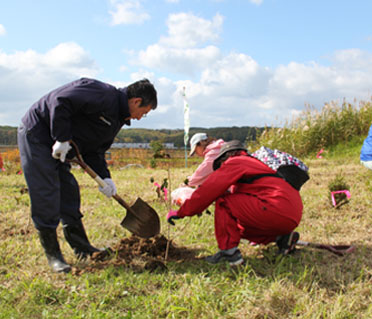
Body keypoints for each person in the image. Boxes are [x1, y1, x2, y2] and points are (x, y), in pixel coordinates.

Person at [18, 78, 157, 273]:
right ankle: (53, 255)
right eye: (144, 112)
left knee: (69, 191)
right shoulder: (101, 93)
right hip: (38, 135)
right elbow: (60, 101)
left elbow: (96, 151)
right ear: (136, 101)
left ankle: (82, 247)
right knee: (46, 191)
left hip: (62, 145)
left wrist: (105, 177)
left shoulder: (116, 119)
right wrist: (62, 137)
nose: (141, 118)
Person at [167, 140, 303, 266]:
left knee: (224, 202)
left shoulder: (236, 162)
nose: (221, 168)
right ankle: (283, 238)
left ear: (227, 156)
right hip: (290, 212)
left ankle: (229, 253)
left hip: (275, 207)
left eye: (220, 165)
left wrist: (183, 211)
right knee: (237, 227)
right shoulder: (255, 163)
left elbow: (210, 190)